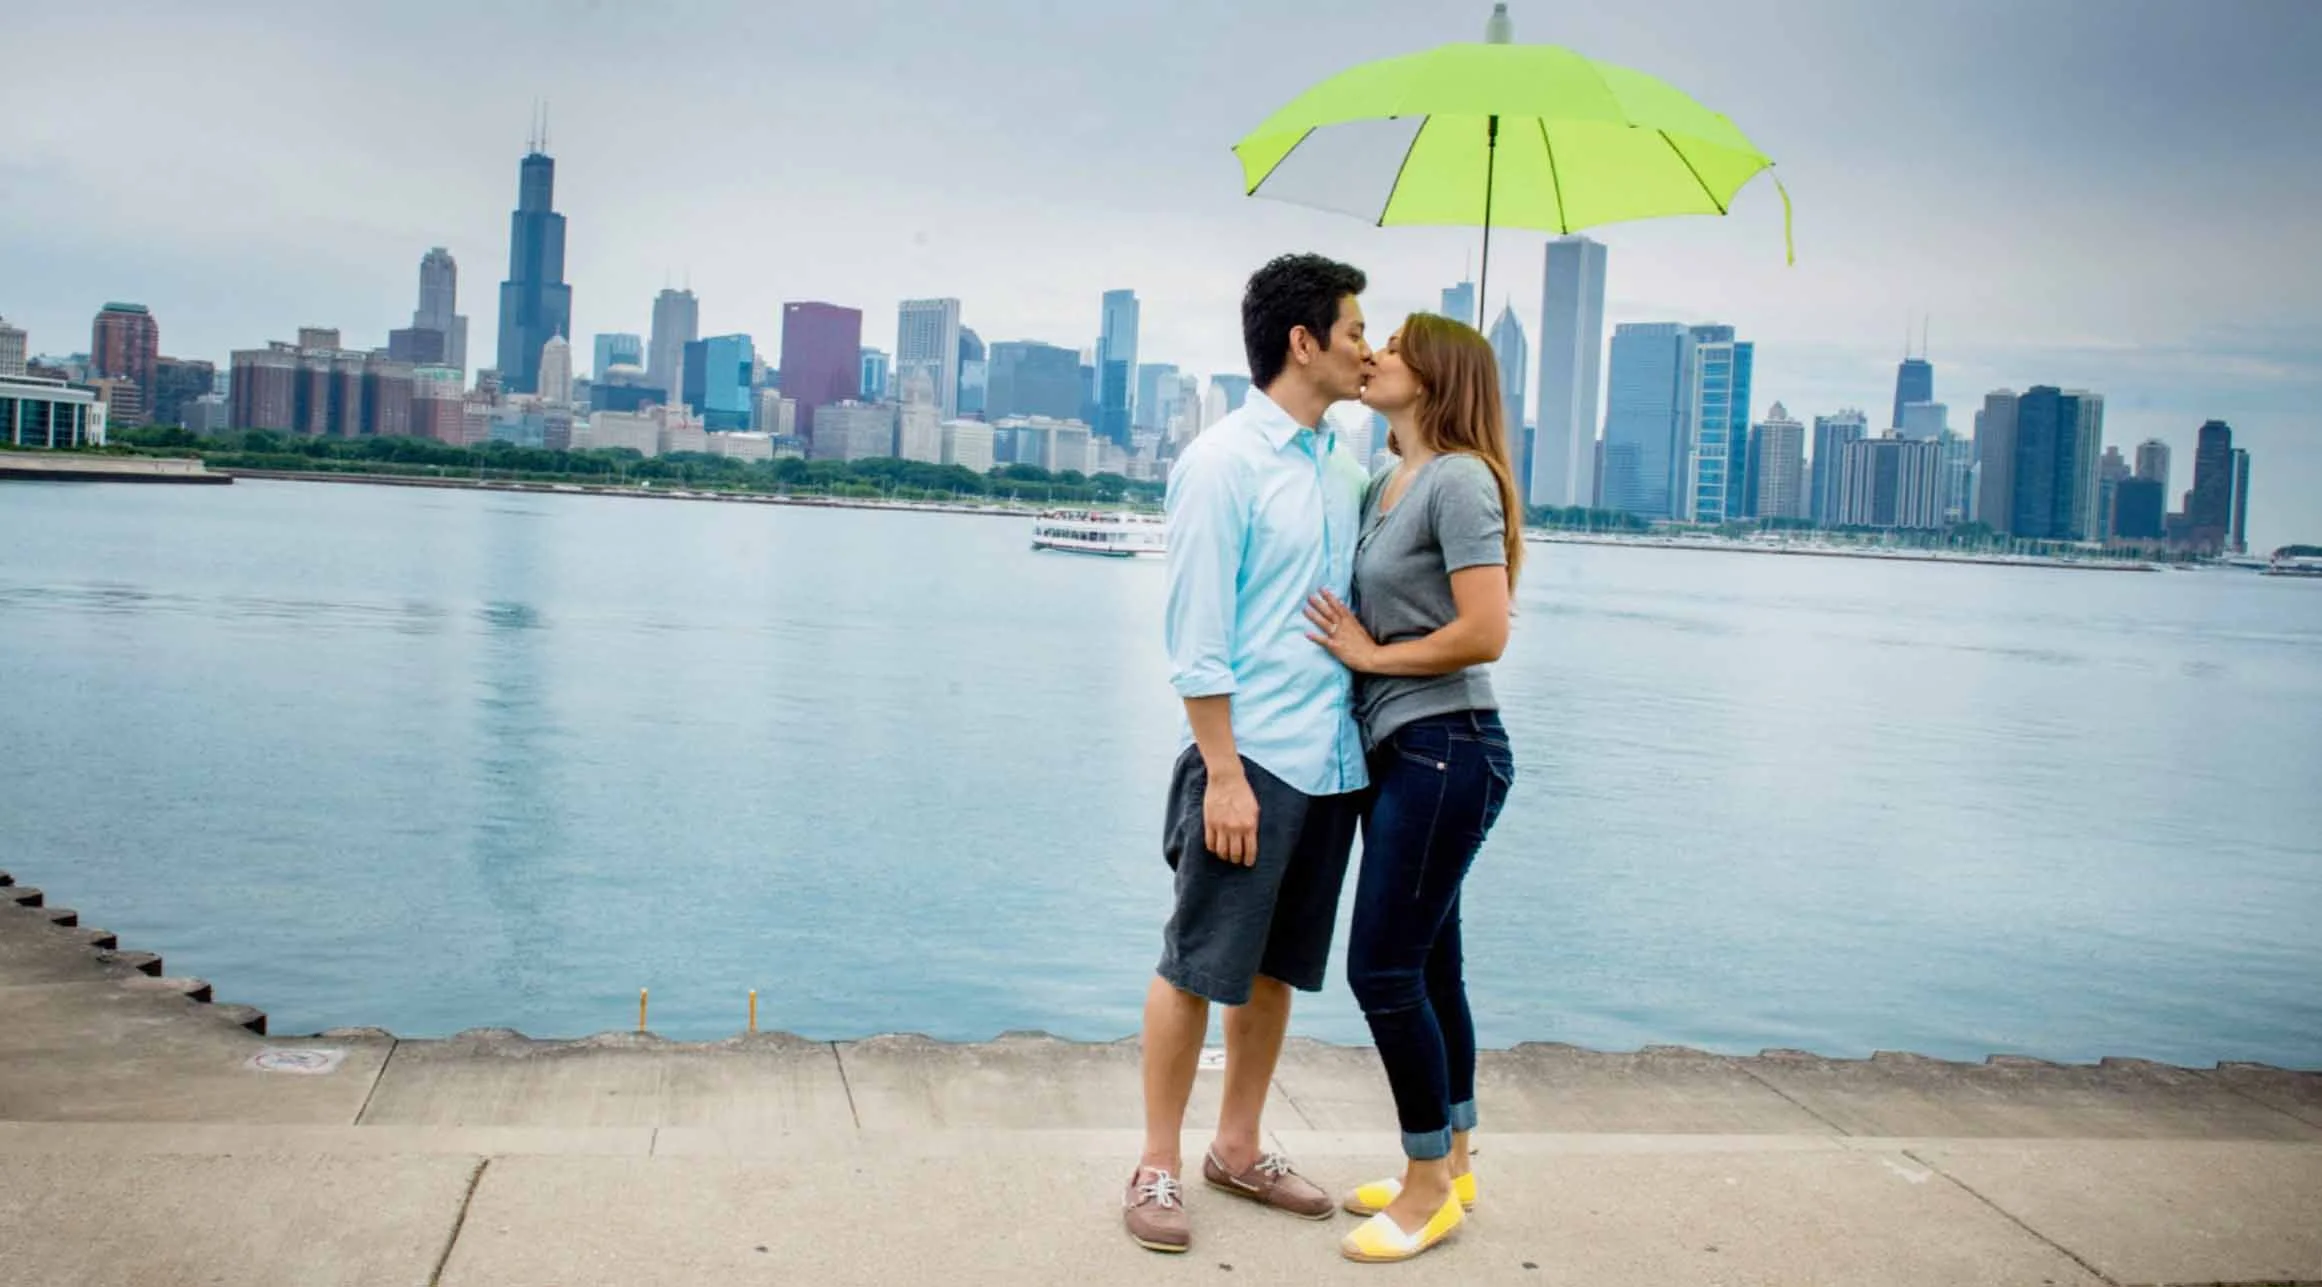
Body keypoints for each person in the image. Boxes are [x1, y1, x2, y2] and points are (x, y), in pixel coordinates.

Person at [1123, 254, 1374, 1255]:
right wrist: (1221, 772)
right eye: (1355, 329)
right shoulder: (1222, 461)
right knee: (1195, 965)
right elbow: (1197, 637)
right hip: (1251, 759)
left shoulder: (1349, 467)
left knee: (1275, 974)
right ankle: (1155, 1163)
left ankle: (1239, 1146)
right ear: (1303, 341)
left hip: (1333, 763)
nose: (1367, 345)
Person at [1303, 312, 1523, 1265]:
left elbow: (1487, 631)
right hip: (1410, 751)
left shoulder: (1462, 478)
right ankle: (1456, 1156)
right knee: (1433, 968)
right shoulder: (1392, 478)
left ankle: (1429, 1186)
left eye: (1394, 345)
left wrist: (1371, 652)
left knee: (1382, 972)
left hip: (1449, 747)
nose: (1376, 355)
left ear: (1432, 376)